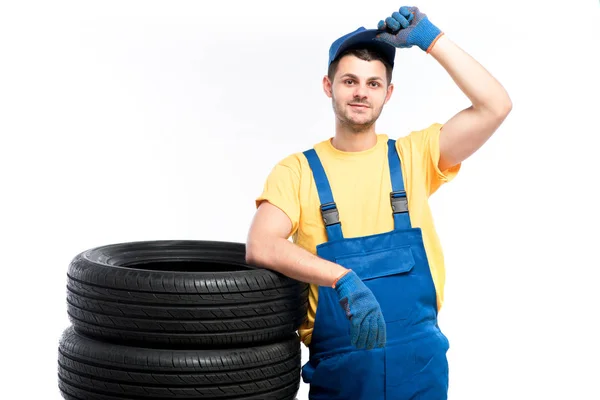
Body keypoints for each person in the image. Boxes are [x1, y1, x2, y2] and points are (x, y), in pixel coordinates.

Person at [245, 5, 511, 400]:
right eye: (349, 81)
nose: (360, 93)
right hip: (343, 371)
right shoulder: (297, 171)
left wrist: (433, 41)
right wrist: (342, 277)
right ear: (328, 85)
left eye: (373, 84)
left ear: (388, 93)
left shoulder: (413, 157)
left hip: (420, 367)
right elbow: (261, 245)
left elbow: (496, 106)